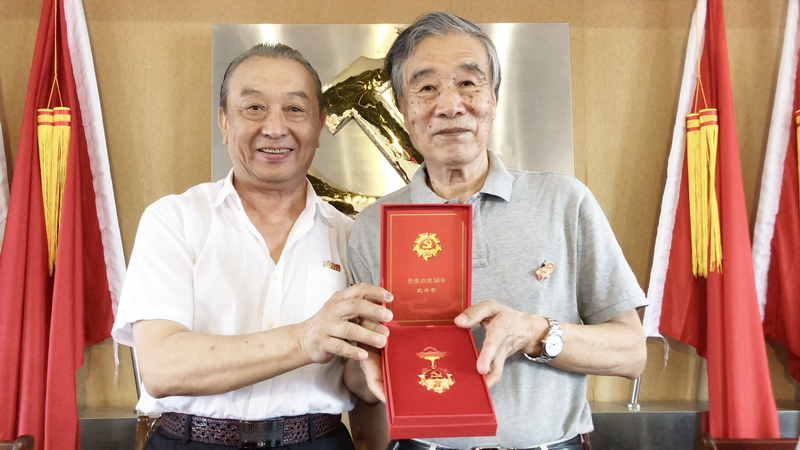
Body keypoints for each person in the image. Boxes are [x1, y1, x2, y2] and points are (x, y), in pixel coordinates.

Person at [346, 12, 648, 450]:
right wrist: (369, 359)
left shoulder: (563, 200)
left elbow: (632, 353)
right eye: (426, 88)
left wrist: (534, 333)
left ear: (493, 98)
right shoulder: (374, 225)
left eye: (469, 83)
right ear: (403, 109)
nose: (450, 105)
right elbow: (359, 383)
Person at [111, 43, 394, 450]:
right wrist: (304, 339)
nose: (275, 128)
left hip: (318, 441)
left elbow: (366, 388)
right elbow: (161, 367)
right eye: (254, 108)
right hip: (190, 441)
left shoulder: (352, 238)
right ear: (224, 122)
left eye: (295, 109)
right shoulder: (174, 220)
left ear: (320, 125)